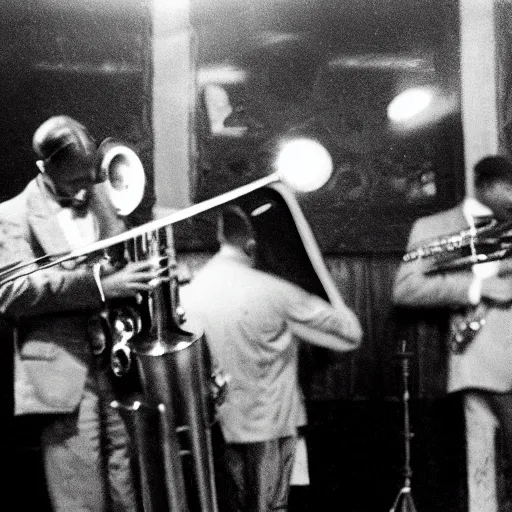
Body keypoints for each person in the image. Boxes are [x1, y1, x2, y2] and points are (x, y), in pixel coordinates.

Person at [0, 115, 161, 511]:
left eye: (89, 177)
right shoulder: (11, 215)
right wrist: (101, 286)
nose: (85, 189)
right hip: (64, 369)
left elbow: (122, 262)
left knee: (128, 481)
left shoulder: (104, 197)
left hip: (119, 364)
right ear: (45, 168)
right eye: (74, 181)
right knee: (79, 493)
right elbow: (11, 291)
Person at [181, 204, 362, 512]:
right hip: (270, 426)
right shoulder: (274, 291)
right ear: (254, 244)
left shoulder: (189, 293)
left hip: (216, 428)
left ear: (221, 234)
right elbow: (350, 332)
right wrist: (318, 276)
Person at [393, 155, 512, 504]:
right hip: (476, 362)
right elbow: (405, 289)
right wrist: (477, 287)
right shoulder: (433, 228)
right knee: (480, 477)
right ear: (486, 187)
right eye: (508, 190)